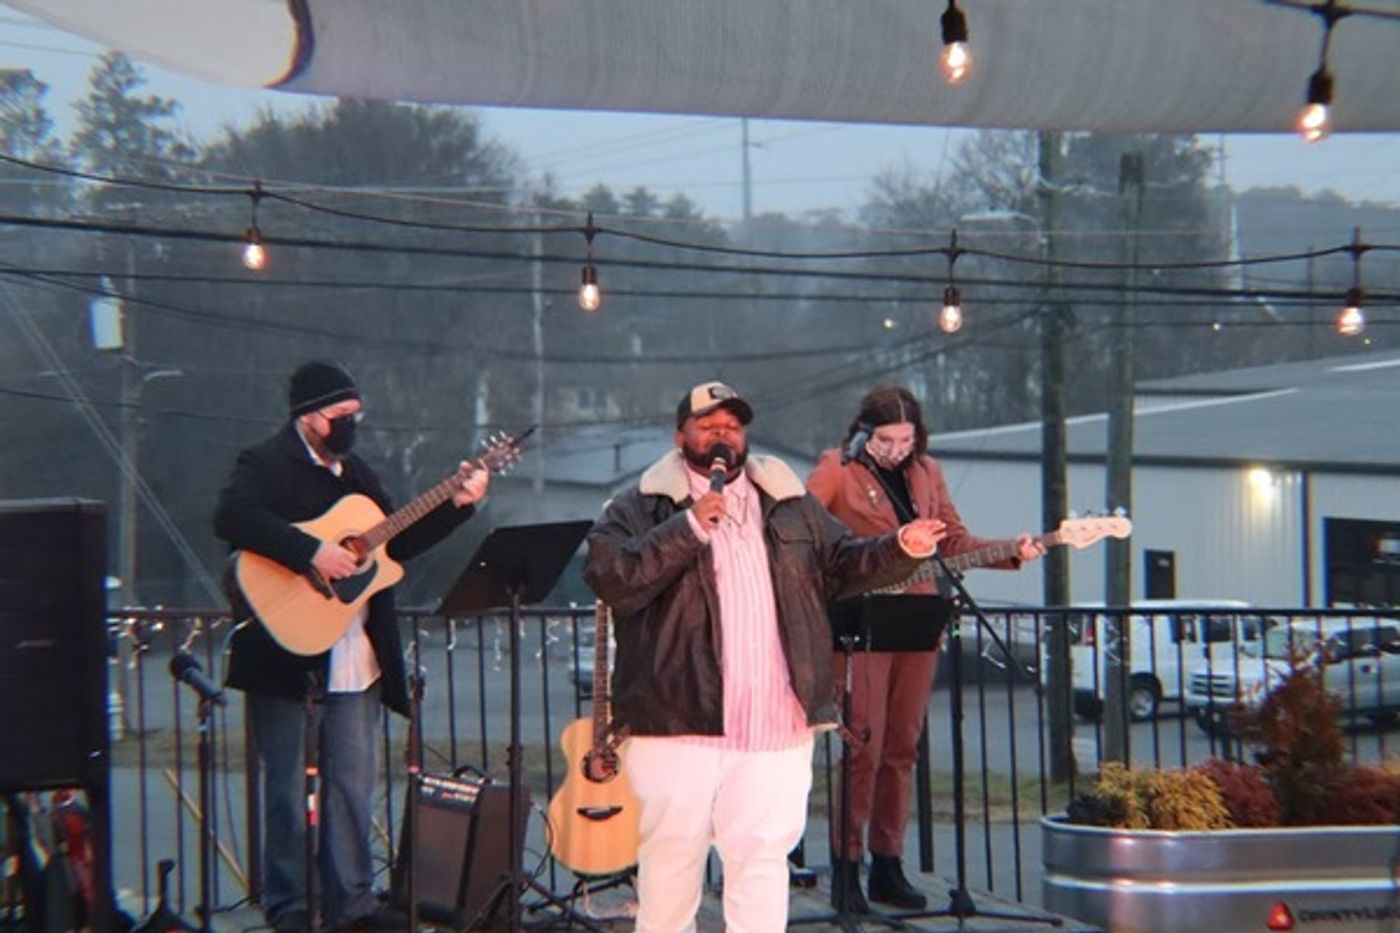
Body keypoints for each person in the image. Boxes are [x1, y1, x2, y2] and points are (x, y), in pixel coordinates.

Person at [583, 381, 949, 933]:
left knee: (760, 864)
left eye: (732, 425)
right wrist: (685, 528)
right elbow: (614, 579)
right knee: (672, 861)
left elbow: (843, 563)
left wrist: (900, 549)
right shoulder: (638, 506)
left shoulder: (788, 503)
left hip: (776, 726)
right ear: (681, 434)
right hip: (676, 721)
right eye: (708, 424)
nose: (722, 435)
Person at [214, 361, 489, 932]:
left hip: (354, 655)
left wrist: (458, 506)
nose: (350, 426)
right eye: (341, 417)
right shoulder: (264, 464)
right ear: (309, 418)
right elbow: (232, 516)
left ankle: (352, 904)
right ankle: (290, 907)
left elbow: (397, 541)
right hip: (282, 654)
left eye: (355, 416)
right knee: (287, 790)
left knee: (353, 788)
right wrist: (309, 553)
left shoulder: (357, 473)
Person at [806, 384, 1043, 913]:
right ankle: (847, 867)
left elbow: (953, 540)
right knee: (861, 744)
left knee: (902, 746)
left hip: (917, 620)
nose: (897, 449)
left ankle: (887, 863)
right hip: (859, 620)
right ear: (864, 432)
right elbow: (801, 529)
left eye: (906, 438)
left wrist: (1013, 550)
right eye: (886, 439)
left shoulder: (927, 473)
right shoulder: (836, 470)